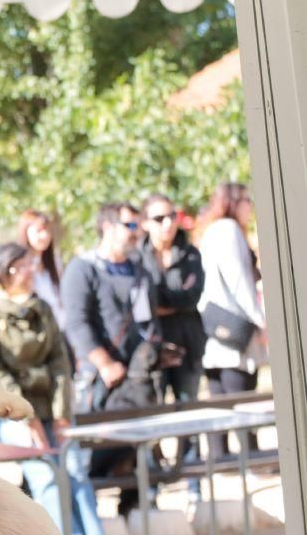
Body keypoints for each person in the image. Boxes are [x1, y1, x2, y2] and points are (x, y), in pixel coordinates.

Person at [0, 243, 103, 535]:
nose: (30, 271)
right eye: (22, 266)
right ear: (3, 272)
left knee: (75, 470)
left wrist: (61, 414)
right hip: (9, 410)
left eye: (31, 264)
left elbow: (60, 361)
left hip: (51, 405)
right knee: (45, 474)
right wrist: (26, 418)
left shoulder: (41, 307)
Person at [61, 202, 159, 515]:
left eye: (137, 226)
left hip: (137, 379)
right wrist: (104, 363)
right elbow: (77, 323)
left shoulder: (139, 267)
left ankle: (132, 512)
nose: (136, 232)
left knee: (137, 450)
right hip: (100, 381)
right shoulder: (82, 268)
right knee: (94, 455)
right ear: (107, 226)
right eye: (129, 225)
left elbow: (148, 318)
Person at [140, 193, 205, 501]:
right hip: (151, 349)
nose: (167, 223)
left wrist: (161, 303)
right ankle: (151, 488)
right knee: (152, 415)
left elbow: (191, 297)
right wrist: (165, 303)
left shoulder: (189, 252)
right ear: (145, 223)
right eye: (158, 218)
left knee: (188, 413)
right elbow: (142, 301)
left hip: (188, 345)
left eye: (171, 216)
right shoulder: (137, 257)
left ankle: (193, 484)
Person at [196, 183, 267, 458]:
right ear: (236, 202)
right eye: (247, 200)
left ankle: (221, 459)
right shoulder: (228, 230)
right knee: (243, 398)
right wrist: (259, 320)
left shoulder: (212, 230)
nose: (250, 207)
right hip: (236, 328)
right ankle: (249, 457)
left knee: (219, 400)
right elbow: (240, 281)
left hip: (215, 328)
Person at [17, 210, 65, 331]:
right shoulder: (19, 264)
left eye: (47, 230)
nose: (45, 235)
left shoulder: (55, 261)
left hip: (59, 329)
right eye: (39, 231)